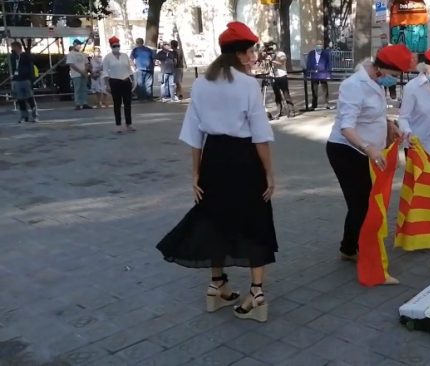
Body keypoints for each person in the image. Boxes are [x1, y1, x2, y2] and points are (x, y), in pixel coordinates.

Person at [157, 22, 276, 322]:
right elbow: (260, 134)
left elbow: (194, 133)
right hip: (244, 158)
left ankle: (217, 285)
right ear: (238, 53)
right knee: (255, 221)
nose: (252, 57)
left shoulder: (201, 84)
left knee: (214, 221)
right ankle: (257, 292)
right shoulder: (249, 85)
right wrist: (270, 173)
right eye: (249, 52)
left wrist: (195, 173)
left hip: (213, 158)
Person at [327, 44, 412, 263]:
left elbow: (371, 114)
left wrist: (389, 124)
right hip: (346, 150)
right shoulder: (354, 85)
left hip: (365, 151)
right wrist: (369, 147)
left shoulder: (374, 81)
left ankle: (351, 244)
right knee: (361, 203)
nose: (393, 80)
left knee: (366, 201)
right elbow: (347, 127)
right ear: (381, 69)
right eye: (393, 75)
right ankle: (350, 248)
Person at [103, 36, 136, 134]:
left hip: (126, 81)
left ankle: (129, 124)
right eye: (114, 46)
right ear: (111, 46)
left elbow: (129, 69)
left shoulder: (125, 56)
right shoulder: (107, 57)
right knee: (117, 104)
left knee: (127, 104)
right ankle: (118, 125)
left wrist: (133, 80)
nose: (117, 47)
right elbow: (105, 72)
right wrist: (107, 85)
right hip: (115, 81)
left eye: (118, 45)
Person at [9, 41, 38, 123]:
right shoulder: (13, 57)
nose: (12, 49)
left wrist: (31, 79)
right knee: (20, 99)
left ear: (17, 47)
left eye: (13, 47)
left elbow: (32, 62)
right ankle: (24, 116)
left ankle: (35, 115)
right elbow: (13, 67)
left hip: (26, 79)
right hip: (17, 79)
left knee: (30, 98)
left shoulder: (25, 56)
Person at [266, 41, 295, 118]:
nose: (271, 48)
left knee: (286, 94)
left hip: (281, 76)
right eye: (270, 47)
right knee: (277, 95)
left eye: (272, 46)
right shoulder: (268, 55)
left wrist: (272, 60)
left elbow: (281, 62)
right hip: (273, 76)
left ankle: (291, 110)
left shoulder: (281, 54)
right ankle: (280, 111)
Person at [306, 40, 332, 110]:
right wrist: (308, 73)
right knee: (314, 90)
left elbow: (329, 64)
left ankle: (326, 104)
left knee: (325, 90)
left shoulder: (325, 53)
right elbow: (308, 63)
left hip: (323, 74)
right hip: (314, 74)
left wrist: (328, 74)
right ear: (315, 45)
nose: (319, 45)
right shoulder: (311, 53)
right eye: (318, 44)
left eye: (320, 44)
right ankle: (314, 105)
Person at [67, 39, 92, 110]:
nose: (79, 46)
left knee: (84, 89)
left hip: (84, 74)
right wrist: (81, 71)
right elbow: (72, 65)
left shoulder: (83, 54)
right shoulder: (70, 54)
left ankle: (84, 103)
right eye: (78, 44)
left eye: (80, 44)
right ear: (74, 44)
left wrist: (85, 71)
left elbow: (87, 63)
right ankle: (77, 103)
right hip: (76, 75)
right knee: (77, 89)